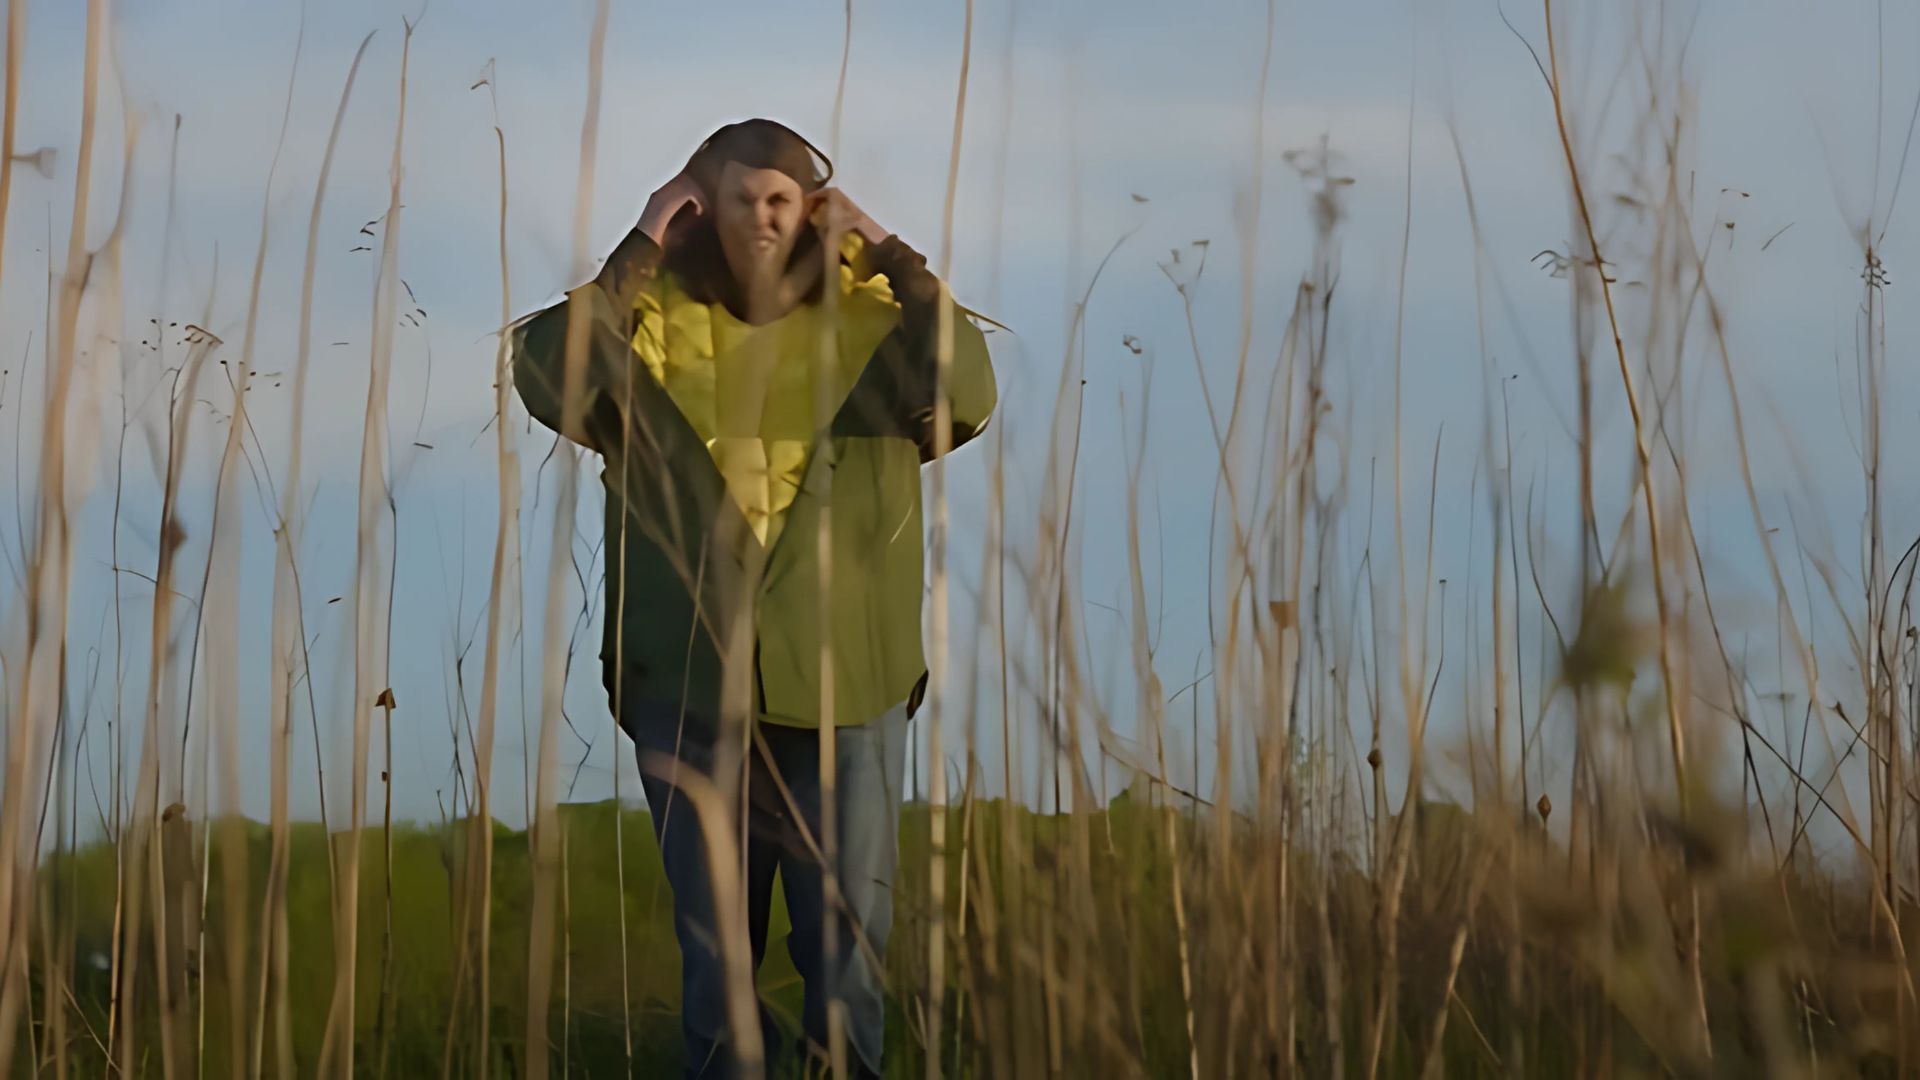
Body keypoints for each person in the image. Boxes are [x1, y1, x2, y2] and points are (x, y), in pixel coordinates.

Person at [512, 118, 997, 1078]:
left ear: (812, 211)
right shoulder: (645, 326)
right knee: (719, 964)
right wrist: (639, 247)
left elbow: (968, 389)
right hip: (691, 684)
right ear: (703, 207)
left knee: (847, 952)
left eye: (783, 200)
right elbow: (545, 369)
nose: (764, 218)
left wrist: (893, 255)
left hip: (846, 685)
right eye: (740, 199)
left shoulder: (872, 323)